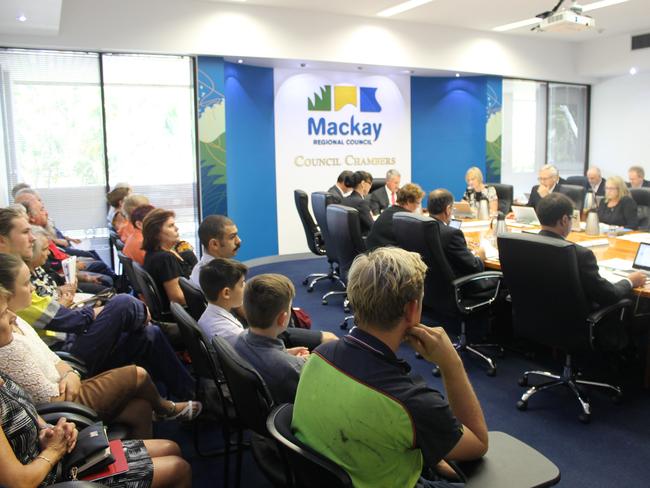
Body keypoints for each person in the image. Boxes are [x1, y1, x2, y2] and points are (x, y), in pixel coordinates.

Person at [292, 247, 488, 488]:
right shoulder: (411, 402)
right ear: (411, 309)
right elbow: (477, 443)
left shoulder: (318, 357)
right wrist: (452, 365)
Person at [0, 207, 195, 399]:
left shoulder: (20, 273)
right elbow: (67, 320)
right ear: (2, 241)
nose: (33, 237)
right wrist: (100, 310)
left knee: (149, 333)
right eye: (25, 232)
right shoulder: (9, 282)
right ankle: (147, 319)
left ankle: (191, 396)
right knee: (124, 303)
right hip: (66, 352)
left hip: (68, 344)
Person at [0, 293, 192, 488]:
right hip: (55, 476)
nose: (13, 316)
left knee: (153, 425)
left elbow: (33, 412)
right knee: (179, 468)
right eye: (2, 314)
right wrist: (54, 450)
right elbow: (20, 482)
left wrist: (48, 430)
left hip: (57, 455)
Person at [0, 254, 201, 438]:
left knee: (141, 402)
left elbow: (54, 359)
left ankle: (142, 464)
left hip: (68, 372)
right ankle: (167, 407)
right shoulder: (7, 342)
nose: (33, 288)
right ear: (6, 294)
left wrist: (70, 374)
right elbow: (50, 399)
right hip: (64, 403)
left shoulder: (17, 320)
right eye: (27, 284)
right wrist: (72, 376)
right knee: (124, 308)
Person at [192, 215, 336, 349]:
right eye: (232, 237)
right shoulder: (218, 276)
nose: (239, 241)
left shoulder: (202, 269)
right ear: (215, 244)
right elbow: (252, 315)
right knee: (328, 339)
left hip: (254, 330)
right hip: (264, 331)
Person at [537, 193, 645, 307]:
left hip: (529, 316)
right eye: (572, 218)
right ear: (564, 220)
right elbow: (608, 296)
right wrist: (630, 281)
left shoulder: (522, 245)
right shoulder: (580, 254)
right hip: (576, 320)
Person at [234, 274, 309, 404]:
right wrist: (297, 363)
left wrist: (285, 354)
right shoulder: (292, 369)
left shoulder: (241, 339)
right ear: (283, 318)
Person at [143, 208, 198, 311]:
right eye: (171, 226)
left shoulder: (153, 253)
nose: (176, 228)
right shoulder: (165, 258)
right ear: (156, 233)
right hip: (187, 313)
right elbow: (178, 298)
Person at [428, 189, 486, 277]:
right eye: (452, 208)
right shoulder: (452, 234)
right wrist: (480, 255)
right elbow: (475, 267)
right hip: (459, 285)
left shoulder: (421, 226)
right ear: (448, 209)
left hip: (430, 284)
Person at [198, 257, 248, 346]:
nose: (246, 286)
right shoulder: (232, 333)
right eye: (242, 283)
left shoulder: (210, 313)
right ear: (226, 293)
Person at [366, 183, 425, 250]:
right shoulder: (405, 219)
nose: (418, 206)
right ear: (408, 201)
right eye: (418, 203)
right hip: (384, 256)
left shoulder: (388, 211)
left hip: (372, 253)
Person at [342, 171, 374, 236]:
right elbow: (372, 226)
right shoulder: (361, 203)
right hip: (363, 241)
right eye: (370, 183)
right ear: (363, 183)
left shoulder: (345, 199)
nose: (371, 186)